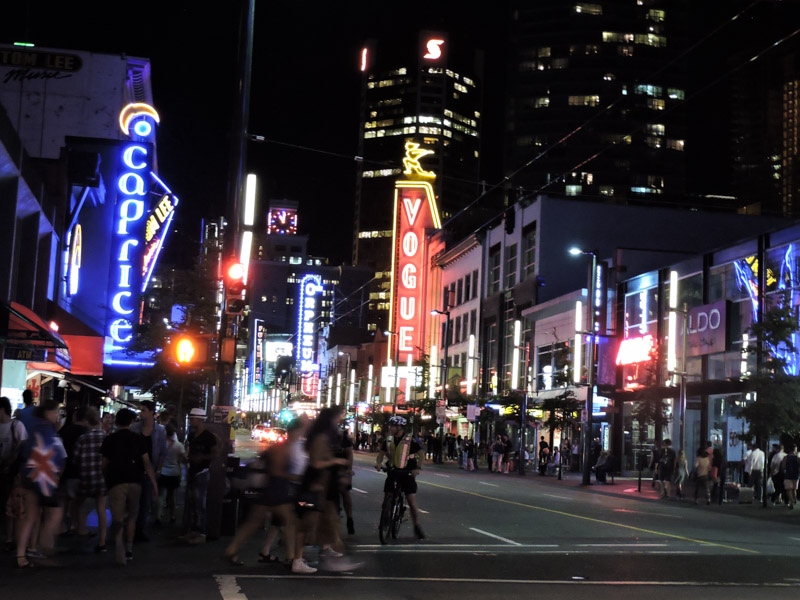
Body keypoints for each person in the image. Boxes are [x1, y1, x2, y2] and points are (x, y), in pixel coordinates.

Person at [224, 416, 307, 571]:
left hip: (269, 489)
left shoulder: (281, 447)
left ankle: (232, 549)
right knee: (290, 522)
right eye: (301, 430)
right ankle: (291, 558)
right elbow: (277, 471)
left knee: (254, 522)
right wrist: (296, 477)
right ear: (296, 431)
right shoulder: (284, 448)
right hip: (277, 489)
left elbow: (261, 461)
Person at [13, 397, 67, 568]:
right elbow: (58, 455)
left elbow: (26, 452)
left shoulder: (34, 429)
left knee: (29, 517)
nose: (57, 416)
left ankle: (21, 554)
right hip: (46, 477)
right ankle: (45, 542)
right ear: (48, 413)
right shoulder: (49, 432)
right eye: (56, 412)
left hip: (30, 475)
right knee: (56, 511)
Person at [101, 408, 158, 565]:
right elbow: (146, 463)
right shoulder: (138, 439)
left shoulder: (109, 439)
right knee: (132, 516)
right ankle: (129, 549)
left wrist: (106, 478)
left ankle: (119, 546)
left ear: (117, 422)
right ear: (131, 422)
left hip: (116, 481)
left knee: (117, 517)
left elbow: (104, 463)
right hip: (135, 481)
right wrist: (154, 484)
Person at [375, 415, 425, 540]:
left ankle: (417, 526)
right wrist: (379, 463)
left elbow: (421, 454)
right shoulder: (388, 439)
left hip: (407, 472)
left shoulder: (409, 440)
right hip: (393, 471)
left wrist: (417, 468)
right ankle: (385, 518)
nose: (390, 428)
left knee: (411, 502)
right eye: (390, 426)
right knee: (387, 495)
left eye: (392, 426)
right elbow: (381, 454)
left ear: (399, 427)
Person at [130, 400, 167, 542]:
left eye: (144, 410)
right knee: (134, 501)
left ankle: (140, 529)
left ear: (152, 412)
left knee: (146, 501)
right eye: (141, 410)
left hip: (150, 469)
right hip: (135, 469)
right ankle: (132, 528)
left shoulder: (160, 430)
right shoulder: (135, 428)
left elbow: (163, 452)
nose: (141, 412)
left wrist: (158, 469)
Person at [73, 407, 108, 552]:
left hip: (86, 477)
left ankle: (81, 528)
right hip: (102, 478)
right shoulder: (106, 437)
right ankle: (102, 541)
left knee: (78, 503)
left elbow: (75, 458)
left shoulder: (82, 438)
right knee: (101, 508)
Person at [182, 407, 219, 545]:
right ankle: (194, 531)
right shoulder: (192, 435)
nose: (191, 421)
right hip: (192, 471)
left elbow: (215, 453)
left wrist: (202, 457)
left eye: (193, 419)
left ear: (200, 420)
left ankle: (201, 533)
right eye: (191, 418)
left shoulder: (208, 436)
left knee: (200, 504)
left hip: (202, 472)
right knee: (193, 503)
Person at [0, 395, 27, 552]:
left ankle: (10, 537)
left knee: (10, 505)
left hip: (11, 473)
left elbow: (22, 446)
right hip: (5, 471)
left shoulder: (17, 425)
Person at [57, 405, 89, 536]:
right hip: (82, 472)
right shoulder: (86, 433)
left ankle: (62, 526)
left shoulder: (64, 431)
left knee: (64, 500)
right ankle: (80, 527)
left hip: (66, 470)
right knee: (79, 503)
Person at [156, 422, 185, 524]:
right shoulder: (179, 445)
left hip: (162, 471)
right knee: (172, 495)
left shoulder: (161, 444)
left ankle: (158, 516)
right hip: (174, 472)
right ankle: (172, 515)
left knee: (160, 494)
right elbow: (182, 460)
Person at [781, 444, 800, 509]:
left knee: (788, 490)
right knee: (794, 489)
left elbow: (783, 467)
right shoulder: (797, 458)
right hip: (796, 475)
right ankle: (794, 499)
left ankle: (791, 501)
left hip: (788, 475)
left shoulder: (786, 457)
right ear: (795, 450)